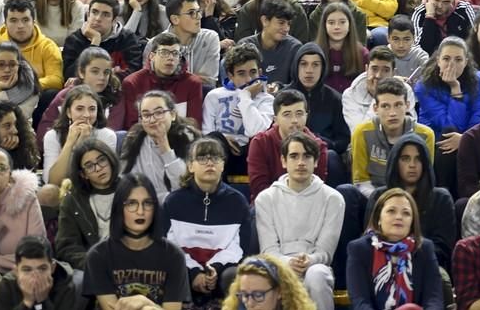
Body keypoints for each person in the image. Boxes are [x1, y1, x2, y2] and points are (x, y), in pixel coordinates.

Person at [256, 131, 345, 310]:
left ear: (316, 161)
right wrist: (288, 262)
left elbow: (325, 252)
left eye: (307, 156)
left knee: (317, 275)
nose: (301, 163)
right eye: (294, 156)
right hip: (278, 264)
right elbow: (268, 250)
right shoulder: (265, 199)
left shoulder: (333, 199)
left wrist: (309, 260)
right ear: (283, 161)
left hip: (315, 265)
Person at [164, 136, 251, 305]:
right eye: (202, 158)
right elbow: (169, 246)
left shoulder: (237, 202)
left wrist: (214, 269)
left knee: (235, 276)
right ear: (190, 166)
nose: (210, 162)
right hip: (183, 271)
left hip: (223, 271)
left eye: (216, 157)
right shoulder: (173, 202)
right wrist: (194, 272)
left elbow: (239, 248)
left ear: (223, 165)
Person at [82, 173, 189, 309]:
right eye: (132, 203)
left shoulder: (174, 256)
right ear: (119, 208)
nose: (140, 211)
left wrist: (145, 303)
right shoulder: (98, 255)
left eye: (147, 203)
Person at [347, 187, 444, 310]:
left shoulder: (425, 248)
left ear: (412, 221)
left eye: (406, 213)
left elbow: (434, 299)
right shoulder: (359, 249)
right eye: (391, 211)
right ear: (378, 219)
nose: (399, 217)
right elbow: (360, 302)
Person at [413, 36, 480, 192]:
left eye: (458, 59)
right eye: (446, 59)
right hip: (437, 141)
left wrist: (465, 139)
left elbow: (479, 116)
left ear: (466, 62)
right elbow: (449, 126)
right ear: (438, 60)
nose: (451, 65)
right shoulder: (424, 86)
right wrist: (455, 89)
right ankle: (445, 195)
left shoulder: (479, 80)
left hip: (468, 139)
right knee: (448, 138)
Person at [351, 77, 434, 197]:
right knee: (347, 191)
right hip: (372, 196)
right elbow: (360, 182)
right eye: (385, 106)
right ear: (376, 109)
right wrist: (384, 200)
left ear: (407, 106)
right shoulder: (362, 132)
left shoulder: (425, 135)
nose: (392, 113)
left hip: (412, 197)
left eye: (398, 105)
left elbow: (424, 179)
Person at [202, 41, 274, 173]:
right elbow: (207, 134)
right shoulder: (214, 96)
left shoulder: (267, 100)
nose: (248, 79)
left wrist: (245, 96)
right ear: (230, 76)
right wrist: (222, 140)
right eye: (241, 73)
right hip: (221, 153)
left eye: (253, 72)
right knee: (215, 139)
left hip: (250, 154)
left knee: (258, 142)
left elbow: (256, 132)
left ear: (260, 72)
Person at [247, 88, 332, 201]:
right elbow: (259, 188)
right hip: (269, 204)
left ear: (306, 116)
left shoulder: (318, 146)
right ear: (275, 119)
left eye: (299, 114)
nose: (294, 120)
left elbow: (316, 188)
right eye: (287, 114)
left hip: (307, 205)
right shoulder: (260, 142)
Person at [120, 90, 199, 203]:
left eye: (158, 113)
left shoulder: (188, 137)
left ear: (172, 115)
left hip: (180, 204)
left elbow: (184, 185)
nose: (152, 120)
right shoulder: (134, 139)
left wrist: (164, 145)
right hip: (144, 205)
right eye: (146, 115)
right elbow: (125, 179)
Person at [55, 138, 119, 272]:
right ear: (83, 174)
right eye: (90, 166)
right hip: (91, 268)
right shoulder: (73, 200)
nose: (98, 168)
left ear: (110, 159)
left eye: (102, 160)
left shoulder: (131, 190)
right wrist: (94, 264)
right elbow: (67, 246)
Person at [41, 85, 116, 186]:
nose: (86, 115)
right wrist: (70, 143)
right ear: (68, 112)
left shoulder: (107, 135)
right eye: (80, 109)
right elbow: (52, 182)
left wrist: (83, 144)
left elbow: (105, 178)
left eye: (92, 109)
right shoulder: (52, 136)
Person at [0, 146, 45, 275]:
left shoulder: (27, 199)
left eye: (0, 168)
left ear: (10, 175)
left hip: (24, 277)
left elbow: (37, 250)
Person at [0, 235, 79, 310]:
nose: (35, 277)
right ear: (16, 271)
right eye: (27, 270)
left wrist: (43, 301)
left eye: (42, 269)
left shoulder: (65, 282)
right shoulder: (7, 284)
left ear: (52, 268)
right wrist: (27, 302)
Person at [0, 0, 62, 92]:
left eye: (25, 20)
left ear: (33, 22)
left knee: (51, 93)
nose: (20, 26)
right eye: (13, 20)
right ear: (5, 24)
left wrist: (24, 86)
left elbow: (56, 80)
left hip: (36, 96)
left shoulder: (48, 46)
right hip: (1, 96)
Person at [411, 0, 477, 55]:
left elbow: (475, 42)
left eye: (446, 2)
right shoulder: (419, 13)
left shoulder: (464, 9)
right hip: (429, 63)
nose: (440, 6)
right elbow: (418, 51)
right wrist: (429, 17)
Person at [0, 42, 40, 119]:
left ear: (19, 65)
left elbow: (4, 119)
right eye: (1, 64)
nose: (7, 70)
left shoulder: (29, 90)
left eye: (12, 65)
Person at [386, 15, 429, 81]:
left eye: (406, 39)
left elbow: (431, 78)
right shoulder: (383, 56)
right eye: (396, 39)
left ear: (413, 39)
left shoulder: (420, 56)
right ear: (388, 38)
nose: (401, 45)